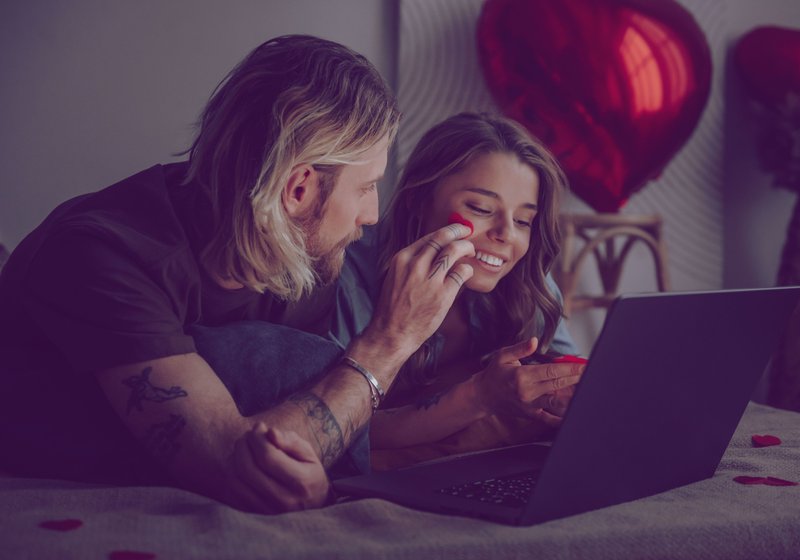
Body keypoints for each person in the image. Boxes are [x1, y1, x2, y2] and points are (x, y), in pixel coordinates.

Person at [0, 35, 480, 514]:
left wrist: (477, 409)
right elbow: (239, 469)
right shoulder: (104, 256)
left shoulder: (302, 259)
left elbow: (301, 419)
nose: (372, 214)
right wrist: (390, 341)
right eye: (367, 188)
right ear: (299, 189)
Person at [330, 112, 585, 469]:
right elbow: (332, 428)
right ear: (419, 200)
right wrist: (478, 398)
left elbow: (572, 385)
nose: (506, 234)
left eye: (524, 221)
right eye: (481, 208)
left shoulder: (527, 282)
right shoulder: (345, 278)